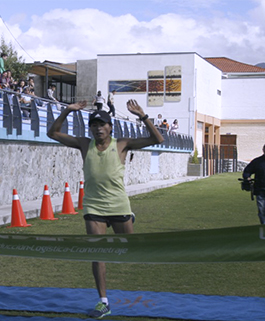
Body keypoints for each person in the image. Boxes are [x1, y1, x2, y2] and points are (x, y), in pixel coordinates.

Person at [47, 99, 164, 319]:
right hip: (94, 206)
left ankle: (129, 218)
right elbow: (53, 133)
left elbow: (158, 138)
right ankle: (103, 302)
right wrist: (67, 111)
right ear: (90, 128)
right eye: (94, 125)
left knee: (129, 251)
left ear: (110, 127)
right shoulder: (84, 144)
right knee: (97, 251)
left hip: (118, 204)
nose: (98, 128)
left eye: (102, 124)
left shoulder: (121, 144)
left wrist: (143, 116)